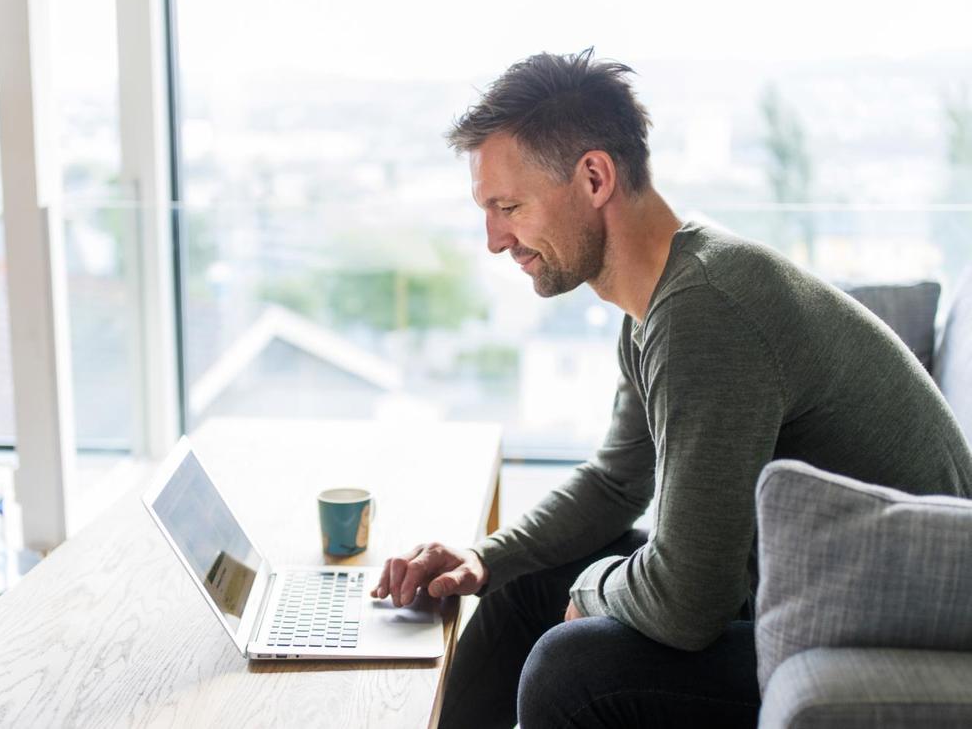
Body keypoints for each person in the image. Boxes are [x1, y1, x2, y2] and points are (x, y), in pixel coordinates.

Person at [371, 49, 972, 729]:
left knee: (572, 668)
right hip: (791, 587)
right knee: (520, 586)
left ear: (593, 175)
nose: (492, 239)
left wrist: (590, 589)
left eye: (508, 206)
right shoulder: (664, 297)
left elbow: (688, 602)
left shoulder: (705, 311)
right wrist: (484, 557)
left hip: (881, 626)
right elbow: (614, 483)